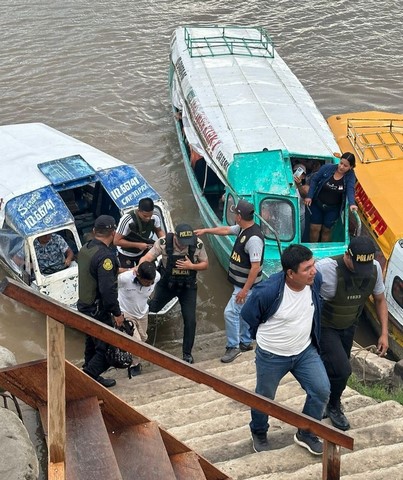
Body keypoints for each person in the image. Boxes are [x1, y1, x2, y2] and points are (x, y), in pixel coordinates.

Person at [241, 244, 330, 456]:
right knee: (264, 397)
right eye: (307, 268)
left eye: (313, 265)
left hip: (304, 351)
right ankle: (259, 431)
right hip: (272, 355)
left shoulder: (314, 281)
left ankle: (306, 433)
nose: (314, 271)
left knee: (321, 390)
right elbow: (248, 315)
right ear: (290, 273)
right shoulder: (268, 291)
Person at [315, 236, 388, 430]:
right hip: (326, 326)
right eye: (357, 265)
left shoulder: (374, 269)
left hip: (349, 325)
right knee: (343, 369)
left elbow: (380, 300)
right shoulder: (325, 269)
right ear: (347, 255)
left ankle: (326, 399)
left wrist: (384, 333)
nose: (360, 272)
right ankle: (333, 406)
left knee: (335, 367)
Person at [195, 199, 264, 363]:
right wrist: (206, 230)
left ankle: (233, 347)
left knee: (230, 313)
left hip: (246, 287)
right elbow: (225, 230)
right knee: (243, 313)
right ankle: (245, 342)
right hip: (240, 284)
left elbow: (255, 268)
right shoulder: (242, 229)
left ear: (239, 216)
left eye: (235, 213)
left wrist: (244, 290)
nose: (233, 216)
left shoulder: (253, 239)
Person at [139, 224, 209, 363]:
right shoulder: (163, 243)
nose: (184, 245)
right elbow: (147, 258)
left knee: (190, 320)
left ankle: (187, 353)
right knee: (153, 308)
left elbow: (205, 264)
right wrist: (140, 270)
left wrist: (191, 266)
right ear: (175, 236)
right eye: (181, 242)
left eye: (187, 243)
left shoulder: (197, 244)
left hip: (187, 287)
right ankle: (137, 329)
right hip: (167, 285)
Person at [77, 215, 124, 388]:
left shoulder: (85, 248)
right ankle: (86, 380)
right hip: (97, 309)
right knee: (108, 348)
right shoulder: (105, 258)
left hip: (84, 306)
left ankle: (89, 375)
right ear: (113, 233)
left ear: (94, 231)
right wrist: (117, 313)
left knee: (91, 343)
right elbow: (107, 290)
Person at [117, 261, 160, 377]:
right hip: (126, 312)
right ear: (138, 276)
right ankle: (134, 364)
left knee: (143, 338)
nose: (149, 284)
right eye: (147, 283)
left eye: (151, 283)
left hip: (142, 312)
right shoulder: (124, 279)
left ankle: (131, 352)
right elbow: (110, 283)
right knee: (136, 341)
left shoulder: (157, 277)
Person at [304, 152, 358, 242]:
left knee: (326, 230)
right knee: (314, 228)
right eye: (341, 163)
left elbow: (350, 189)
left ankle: (323, 249)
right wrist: (309, 196)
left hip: (333, 209)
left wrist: (352, 203)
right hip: (318, 204)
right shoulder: (327, 168)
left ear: (351, 167)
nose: (341, 167)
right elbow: (315, 180)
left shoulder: (350, 176)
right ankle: (313, 248)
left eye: (345, 166)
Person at [113, 197, 164, 268]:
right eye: (145, 216)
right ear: (139, 211)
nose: (148, 218)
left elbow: (159, 231)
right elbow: (116, 241)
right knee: (129, 273)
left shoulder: (155, 216)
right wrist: (137, 245)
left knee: (149, 271)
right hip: (126, 253)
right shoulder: (127, 219)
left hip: (143, 250)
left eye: (150, 215)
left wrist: (165, 242)